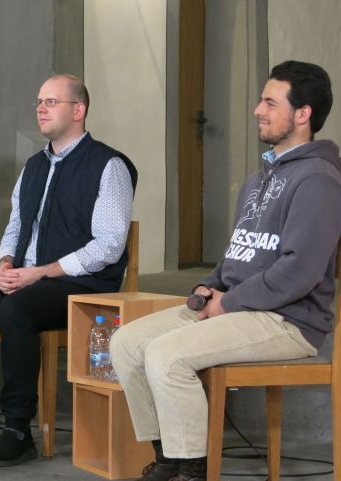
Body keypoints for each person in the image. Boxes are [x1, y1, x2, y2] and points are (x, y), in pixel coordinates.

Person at [110, 60, 341, 481]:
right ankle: (168, 459)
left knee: (167, 354)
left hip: (288, 320)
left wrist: (228, 302)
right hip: (238, 306)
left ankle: (192, 471)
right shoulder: (258, 179)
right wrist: (210, 286)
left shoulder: (318, 180)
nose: (257, 109)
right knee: (126, 342)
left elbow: (300, 271)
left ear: (303, 114)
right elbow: (239, 252)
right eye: (260, 100)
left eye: (270, 102)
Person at [0, 74, 138, 466]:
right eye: (39, 101)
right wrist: (6, 263)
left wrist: (41, 272)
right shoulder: (34, 165)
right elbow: (17, 224)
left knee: (15, 310)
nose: (41, 108)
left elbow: (109, 246)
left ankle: (19, 430)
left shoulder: (109, 165)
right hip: (26, 277)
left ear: (79, 110)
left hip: (80, 283)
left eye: (52, 102)